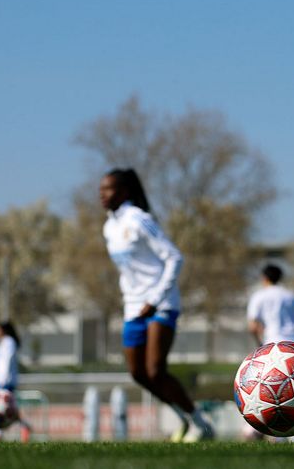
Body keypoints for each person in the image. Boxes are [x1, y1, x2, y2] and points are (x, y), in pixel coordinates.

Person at [100, 167, 214, 443]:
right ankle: (184, 419)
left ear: (124, 191)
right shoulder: (109, 226)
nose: (102, 195)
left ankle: (200, 424)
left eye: (108, 189)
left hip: (160, 303)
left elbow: (174, 257)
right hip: (133, 307)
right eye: (100, 190)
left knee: (155, 370)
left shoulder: (140, 220)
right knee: (138, 374)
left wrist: (154, 298)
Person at [246, 264, 294, 348]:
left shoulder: (258, 296)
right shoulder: (290, 296)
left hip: (271, 343)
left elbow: (253, 327)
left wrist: (259, 345)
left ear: (264, 278)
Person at [0, 321, 33, 442]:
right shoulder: (3, 343)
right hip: (0, 380)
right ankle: (23, 426)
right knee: (4, 408)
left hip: (5, 381)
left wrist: (3, 380)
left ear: (3, 330)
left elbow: (7, 361)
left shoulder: (9, 342)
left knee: (2, 408)